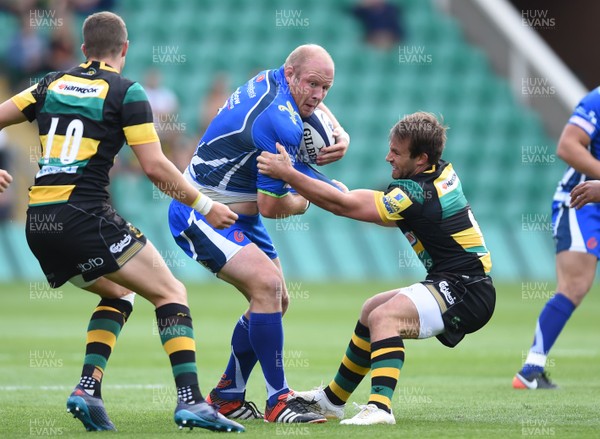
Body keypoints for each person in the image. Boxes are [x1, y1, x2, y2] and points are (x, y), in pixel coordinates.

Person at [0, 11, 244, 433]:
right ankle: (191, 401)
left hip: (39, 223)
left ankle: (87, 389)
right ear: (124, 50)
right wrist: (205, 205)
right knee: (171, 292)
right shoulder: (126, 92)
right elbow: (155, 167)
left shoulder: (49, 84)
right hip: (85, 215)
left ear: (83, 50)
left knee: (120, 295)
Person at [256, 111, 496, 425]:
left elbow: (346, 206)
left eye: (396, 152)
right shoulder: (435, 175)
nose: (387, 157)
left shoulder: (417, 193)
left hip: (467, 289)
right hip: (458, 282)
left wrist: (289, 174)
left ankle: (380, 408)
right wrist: (321, 184)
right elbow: (353, 200)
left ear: (421, 159)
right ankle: (332, 400)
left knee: (386, 318)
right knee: (373, 309)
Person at [167, 44, 350, 423]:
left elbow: (311, 97)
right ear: (291, 75)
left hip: (237, 212)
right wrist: (308, 199)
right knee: (267, 286)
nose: (317, 96)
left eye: (325, 88)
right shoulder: (279, 120)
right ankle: (278, 400)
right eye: (312, 85)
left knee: (277, 300)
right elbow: (273, 207)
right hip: (202, 210)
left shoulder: (275, 79)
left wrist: (339, 132)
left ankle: (226, 395)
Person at [513, 87, 600, 390]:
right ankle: (531, 368)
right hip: (583, 204)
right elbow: (567, 146)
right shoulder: (598, 99)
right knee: (575, 284)